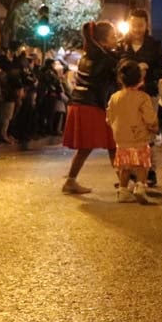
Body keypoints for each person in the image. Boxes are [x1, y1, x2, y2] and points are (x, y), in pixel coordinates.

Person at [61, 21, 119, 195]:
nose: (116, 39)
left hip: (83, 103)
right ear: (103, 41)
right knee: (110, 144)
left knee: (95, 146)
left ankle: (71, 181)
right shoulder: (103, 58)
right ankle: (125, 184)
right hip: (91, 105)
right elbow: (109, 78)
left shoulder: (89, 55)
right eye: (113, 36)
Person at [116, 8, 162, 187]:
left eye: (140, 25)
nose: (137, 29)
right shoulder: (122, 45)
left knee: (148, 135)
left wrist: (148, 68)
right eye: (134, 25)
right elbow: (115, 69)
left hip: (148, 95)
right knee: (129, 135)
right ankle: (129, 172)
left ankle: (149, 171)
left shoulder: (154, 45)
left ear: (146, 25)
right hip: (127, 96)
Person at [106, 61, 159, 204]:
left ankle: (123, 190)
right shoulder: (142, 97)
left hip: (121, 138)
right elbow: (149, 118)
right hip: (139, 137)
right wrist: (154, 127)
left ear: (120, 79)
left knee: (125, 166)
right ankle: (140, 187)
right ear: (140, 79)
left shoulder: (114, 97)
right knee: (142, 164)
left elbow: (109, 117)